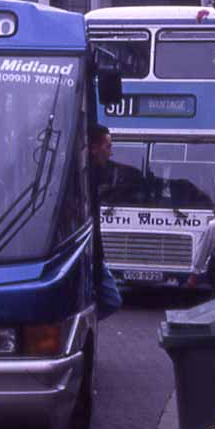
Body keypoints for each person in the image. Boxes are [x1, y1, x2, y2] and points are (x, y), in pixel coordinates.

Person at [88, 124, 122, 319]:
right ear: (94, 148)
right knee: (112, 300)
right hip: (92, 255)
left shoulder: (99, 174)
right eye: (108, 147)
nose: (110, 153)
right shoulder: (86, 176)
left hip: (95, 254)